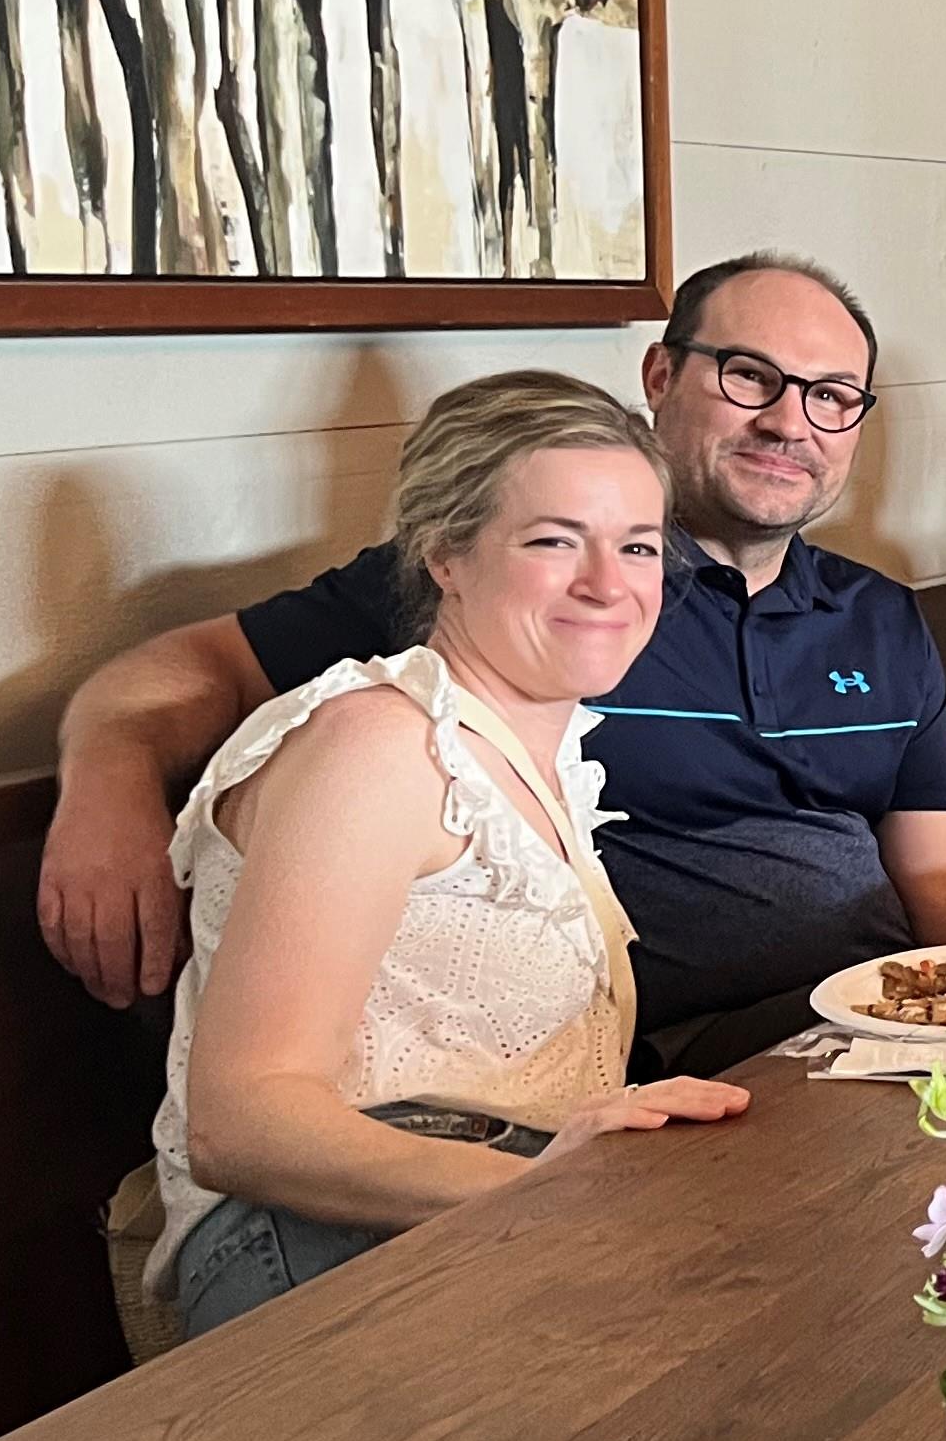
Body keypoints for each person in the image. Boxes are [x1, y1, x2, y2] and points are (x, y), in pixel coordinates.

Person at [42, 253, 946, 1073]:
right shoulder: (536, 587)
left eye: (831, 397)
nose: (790, 423)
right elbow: (179, 672)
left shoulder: (877, 616)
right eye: (749, 377)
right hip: (667, 1064)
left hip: (885, 1025)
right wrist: (110, 787)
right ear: (660, 377)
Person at [148, 374, 749, 1337]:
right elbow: (240, 1124)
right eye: (555, 541)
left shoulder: (538, 748)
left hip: (497, 1192)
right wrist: (545, 1187)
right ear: (445, 556)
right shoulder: (377, 746)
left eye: (636, 545)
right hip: (305, 1240)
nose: (609, 582)